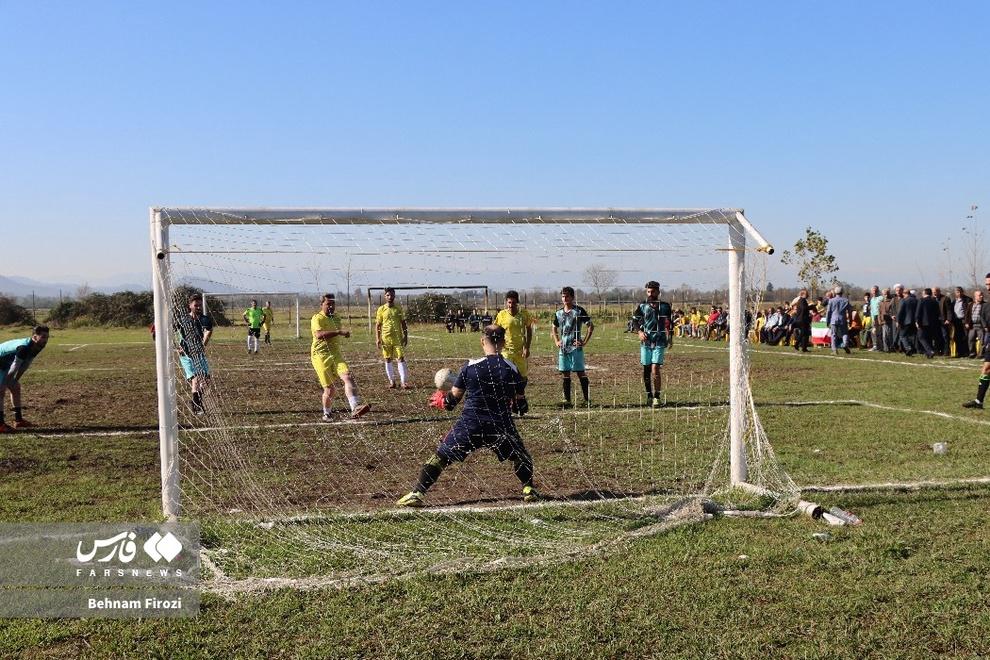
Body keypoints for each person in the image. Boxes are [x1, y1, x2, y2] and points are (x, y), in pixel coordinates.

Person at [396, 325, 539, 507]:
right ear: (503, 342)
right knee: (521, 456)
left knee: (441, 457)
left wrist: (440, 400)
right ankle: (529, 489)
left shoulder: (470, 367)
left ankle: (417, 493)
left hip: (470, 424)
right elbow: (521, 405)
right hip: (500, 425)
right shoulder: (512, 369)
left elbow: (451, 402)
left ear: (482, 341)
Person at [311, 293, 371, 421]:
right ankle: (326, 413)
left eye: (333, 304)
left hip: (336, 354)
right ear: (321, 305)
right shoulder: (317, 318)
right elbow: (319, 335)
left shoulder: (337, 318)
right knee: (329, 389)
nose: (331, 306)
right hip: (320, 356)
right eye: (328, 304)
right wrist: (338, 332)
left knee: (348, 377)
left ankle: (355, 408)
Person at [0, 325, 50, 433]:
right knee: (0, 390)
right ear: (34, 336)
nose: (45, 340)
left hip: (5, 363)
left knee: (16, 387)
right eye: (43, 337)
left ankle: (18, 420)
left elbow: (25, 364)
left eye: (47, 337)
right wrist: (6, 382)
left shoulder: (38, 346)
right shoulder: (24, 348)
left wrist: (15, 380)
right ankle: (0, 424)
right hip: (1, 362)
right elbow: (15, 366)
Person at [551, 286, 595, 408]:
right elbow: (554, 327)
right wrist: (557, 341)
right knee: (565, 373)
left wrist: (584, 342)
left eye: (567, 296)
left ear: (572, 297)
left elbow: (590, 326)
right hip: (563, 348)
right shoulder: (558, 313)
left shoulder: (579, 311)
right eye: (563, 296)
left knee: (581, 372)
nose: (565, 298)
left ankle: (587, 400)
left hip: (576, 348)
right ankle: (567, 400)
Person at [632, 280, 673, 407]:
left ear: (658, 292)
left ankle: (657, 396)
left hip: (660, 340)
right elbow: (634, 321)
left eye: (653, 291)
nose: (650, 293)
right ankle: (649, 395)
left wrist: (670, 337)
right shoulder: (642, 306)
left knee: (655, 368)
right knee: (646, 369)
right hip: (646, 341)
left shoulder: (665, 306)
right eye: (648, 291)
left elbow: (669, 323)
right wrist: (639, 332)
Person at [494, 291, 535, 415]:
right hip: (506, 352)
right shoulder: (501, 315)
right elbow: (495, 330)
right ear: (506, 302)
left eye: (513, 302)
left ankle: (520, 397)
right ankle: (510, 401)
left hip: (520, 352)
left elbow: (529, 330)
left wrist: (527, 347)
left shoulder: (524, 314)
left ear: (517, 302)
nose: (511, 305)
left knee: (522, 377)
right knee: (506, 376)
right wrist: (497, 347)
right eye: (509, 302)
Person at [175, 294, 213, 415]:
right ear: (190, 306)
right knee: (196, 378)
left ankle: (196, 401)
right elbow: (173, 332)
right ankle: (197, 405)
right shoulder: (183, 320)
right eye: (195, 305)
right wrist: (177, 346)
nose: (198, 307)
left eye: (199, 305)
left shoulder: (204, 319)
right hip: (186, 354)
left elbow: (208, 331)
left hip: (199, 353)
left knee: (206, 380)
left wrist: (202, 345)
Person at [962, 273, 990, 409]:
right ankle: (979, 401)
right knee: (986, 368)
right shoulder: (987, 306)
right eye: (987, 284)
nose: (988, 287)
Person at [375, 287, 411, 389]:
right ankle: (392, 382)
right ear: (385, 296)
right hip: (385, 338)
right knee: (387, 359)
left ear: (394, 296)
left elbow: (403, 323)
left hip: (397, 338)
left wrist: (406, 336)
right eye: (388, 295)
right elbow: (378, 325)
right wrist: (377, 338)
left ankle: (403, 382)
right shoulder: (381, 309)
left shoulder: (398, 309)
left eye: (392, 295)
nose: (390, 297)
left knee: (400, 358)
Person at [825, 285, 851, 355]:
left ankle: (834, 350)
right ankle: (845, 344)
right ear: (842, 292)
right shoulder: (846, 300)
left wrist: (827, 321)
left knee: (833, 334)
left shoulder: (831, 300)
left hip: (833, 319)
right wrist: (850, 320)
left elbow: (828, 312)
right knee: (844, 333)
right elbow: (849, 311)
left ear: (835, 292)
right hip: (842, 318)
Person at [915, 288, 941, 359]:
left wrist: (917, 321)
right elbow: (938, 312)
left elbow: (918, 312)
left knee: (921, 337)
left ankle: (930, 351)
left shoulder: (921, 300)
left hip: (923, 322)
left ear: (925, 293)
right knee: (929, 338)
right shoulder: (934, 301)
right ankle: (928, 354)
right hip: (933, 322)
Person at [950, 287, 972, 358]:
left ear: (962, 292)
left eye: (960, 292)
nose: (958, 294)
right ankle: (959, 352)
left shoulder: (968, 300)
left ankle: (966, 352)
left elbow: (969, 312)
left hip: (964, 321)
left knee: (965, 337)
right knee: (957, 337)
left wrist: (967, 321)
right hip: (956, 321)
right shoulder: (954, 301)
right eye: (957, 292)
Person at [896, 289, 919, 356]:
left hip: (905, 321)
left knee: (902, 335)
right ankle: (913, 349)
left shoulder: (903, 300)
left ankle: (908, 348)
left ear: (904, 293)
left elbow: (900, 312)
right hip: (914, 321)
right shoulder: (916, 300)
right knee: (912, 336)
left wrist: (898, 321)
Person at [966, 289, 985, 359]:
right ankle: (972, 353)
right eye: (980, 295)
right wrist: (966, 323)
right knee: (970, 340)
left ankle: (981, 354)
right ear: (975, 296)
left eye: (982, 295)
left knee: (982, 341)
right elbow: (967, 315)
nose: (981, 296)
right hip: (972, 326)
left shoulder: (985, 304)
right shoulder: (970, 304)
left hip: (981, 326)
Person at [868, 286, 883, 351]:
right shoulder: (871, 299)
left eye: (875, 290)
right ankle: (875, 346)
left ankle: (878, 346)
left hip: (879, 316)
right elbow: (872, 309)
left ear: (878, 291)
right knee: (873, 332)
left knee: (877, 332)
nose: (874, 292)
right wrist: (872, 318)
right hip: (873, 317)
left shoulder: (881, 298)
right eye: (873, 290)